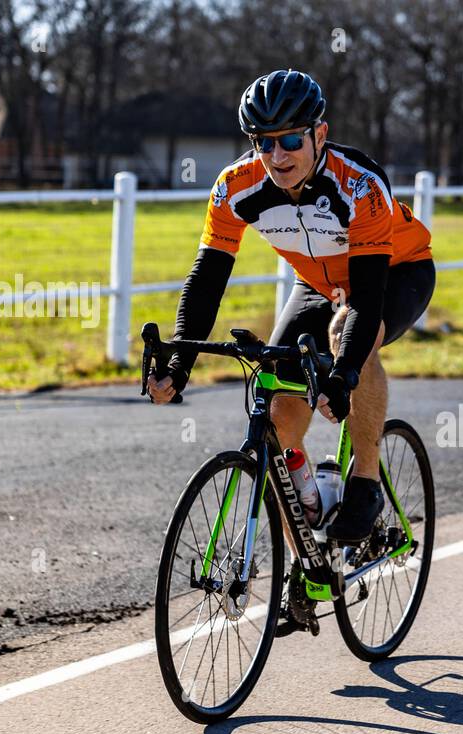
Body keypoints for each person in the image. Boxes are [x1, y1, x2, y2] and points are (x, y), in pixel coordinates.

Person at [147, 68, 435, 551]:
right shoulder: (235, 187)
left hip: (395, 273)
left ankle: (365, 481)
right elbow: (206, 280)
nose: (277, 156)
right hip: (315, 282)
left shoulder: (359, 186)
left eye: (291, 140)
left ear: (319, 135)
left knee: (349, 336)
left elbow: (364, 299)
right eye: (264, 143)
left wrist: (342, 377)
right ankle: (306, 561)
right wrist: (179, 363)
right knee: (279, 421)